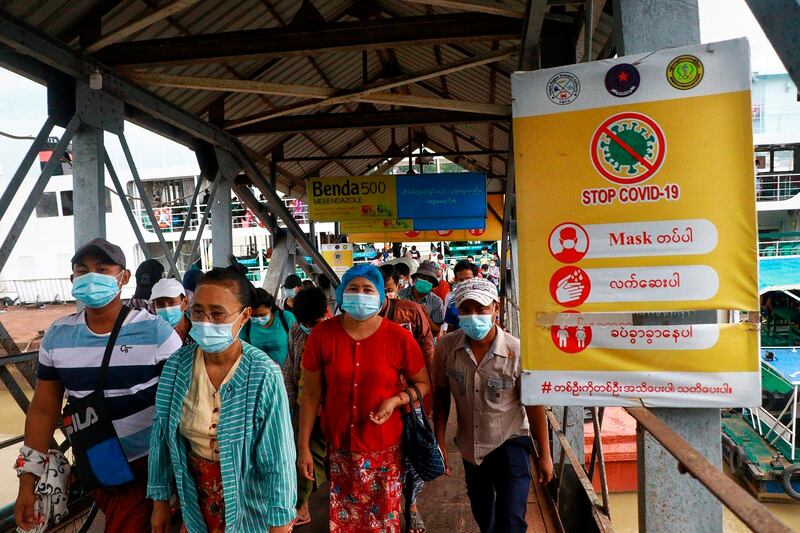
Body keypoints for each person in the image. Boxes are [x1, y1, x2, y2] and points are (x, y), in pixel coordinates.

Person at [15, 238, 182, 532]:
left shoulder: (157, 332)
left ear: (124, 278)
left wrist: (173, 484)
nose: (91, 277)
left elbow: (181, 408)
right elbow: (43, 410)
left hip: (149, 465)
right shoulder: (58, 335)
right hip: (99, 463)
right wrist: (27, 482)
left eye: (102, 269)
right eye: (83, 271)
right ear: (72, 279)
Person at [148, 268, 296, 533]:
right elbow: (161, 436)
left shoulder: (263, 373)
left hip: (252, 507)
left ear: (244, 316)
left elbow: (278, 459)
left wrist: (281, 523)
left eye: (217, 314)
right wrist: (160, 502)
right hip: (195, 503)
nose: (205, 321)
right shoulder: (176, 367)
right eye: (198, 312)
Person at [298, 264, 431, 533]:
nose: (360, 294)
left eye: (368, 289)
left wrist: (396, 400)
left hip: (386, 450)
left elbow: (423, 384)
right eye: (353, 288)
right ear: (342, 294)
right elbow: (310, 395)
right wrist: (303, 448)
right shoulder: (322, 336)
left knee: (382, 522)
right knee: (345, 522)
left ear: (381, 296)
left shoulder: (400, 337)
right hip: (339, 449)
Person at [433, 278, 554, 533]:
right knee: (483, 514)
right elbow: (441, 394)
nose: (473, 316)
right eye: (466, 310)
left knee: (511, 520)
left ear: (496, 309)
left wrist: (545, 454)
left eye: (481, 309)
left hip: (510, 442)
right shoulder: (447, 347)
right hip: (470, 446)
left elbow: (534, 405)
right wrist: (439, 441)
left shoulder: (517, 352)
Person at [378, 264, 434, 532]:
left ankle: (411, 505)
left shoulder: (410, 311)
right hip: (376, 401)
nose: (382, 296)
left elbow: (427, 346)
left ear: (397, 287)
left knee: (414, 452)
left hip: (410, 397)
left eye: (387, 290)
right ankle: (386, 505)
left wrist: (428, 391)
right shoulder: (354, 317)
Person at [284, 287, 329, 528]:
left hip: (333, 407)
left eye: (314, 322)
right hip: (304, 405)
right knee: (301, 455)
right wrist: (287, 407)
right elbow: (290, 369)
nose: (309, 327)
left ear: (327, 312)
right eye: (305, 323)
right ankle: (302, 506)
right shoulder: (295, 329)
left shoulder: (335, 332)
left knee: (327, 456)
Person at [241, 288, 296, 367]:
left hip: (287, 372)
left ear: (270, 307)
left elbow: (297, 346)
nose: (258, 318)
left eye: (262, 315)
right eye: (253, 316)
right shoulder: (247, 325)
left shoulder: (286, 318)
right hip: (260, 373)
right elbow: (244, 350)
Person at [398, 261, 445, 336]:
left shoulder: (436, 301)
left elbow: (436, 330)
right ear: (415, 279)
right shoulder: (400, 295)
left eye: (429, 279)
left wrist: (425, 316)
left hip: (425, 344)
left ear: (432, 284)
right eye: (422, 277)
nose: (426, 281)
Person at [151, 277, 193, 345]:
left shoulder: (199, 329)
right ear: (154, 307)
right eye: (160, 304)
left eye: (172, 302)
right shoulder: (151, 336)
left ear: (185, 303)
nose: (167, 309)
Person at [443, 260, 479, 334]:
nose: (465, 282)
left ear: (476, 278)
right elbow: (450, 331)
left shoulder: (487, 300)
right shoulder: (452, 303)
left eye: (468, 279)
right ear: (455, 280)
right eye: (461, 280)